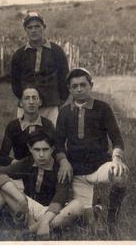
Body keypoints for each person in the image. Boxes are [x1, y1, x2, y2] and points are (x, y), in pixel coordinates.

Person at [55, 68, 129, 231]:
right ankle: (95, 209)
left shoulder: (103, 108)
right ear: (69, 89)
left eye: (83, 84)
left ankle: (112, 217)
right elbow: (58, 143)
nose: (79, 89)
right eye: (74, 86)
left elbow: (116, 138)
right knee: (91, 227)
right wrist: (64, 161)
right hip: (77, 172)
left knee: (120, 175)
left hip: (100, 166)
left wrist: (116, 159)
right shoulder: (64, 112)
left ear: (91, 85)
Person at [0, 130, 84, 239]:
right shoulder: (28, 162)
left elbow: (59, 199)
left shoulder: (60, 169)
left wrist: (45, 221)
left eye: (45, 150)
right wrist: (21, 199)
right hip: (27, 210)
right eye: (37, 150)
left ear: (52, 149)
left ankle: (24, 233)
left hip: (51, 213)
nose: (41, 155)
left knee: (77, 206)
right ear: (30, 149)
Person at [0, 85, 73, 187]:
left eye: (34, 98)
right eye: (27, 98)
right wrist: (19, 164)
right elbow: (2, 158)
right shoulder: (13, 126)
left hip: (43, 170)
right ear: (20, 103)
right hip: (21, 172)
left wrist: (63, 161)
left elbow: (56, 149)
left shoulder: (47, 124)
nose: (31, 102)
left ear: (40, 102)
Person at [10, 11, 69, 126]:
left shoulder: (56, 51)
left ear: (44, 27)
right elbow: (15, 82)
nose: (33, 30)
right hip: (26, 106)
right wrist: (24, 99)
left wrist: (59, 101)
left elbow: (64, 77)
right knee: (24, 138)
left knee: (52, 138)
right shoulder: (19, 54)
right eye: (30, 27)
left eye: (37, 26)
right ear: (25, 30)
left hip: (50, 105)